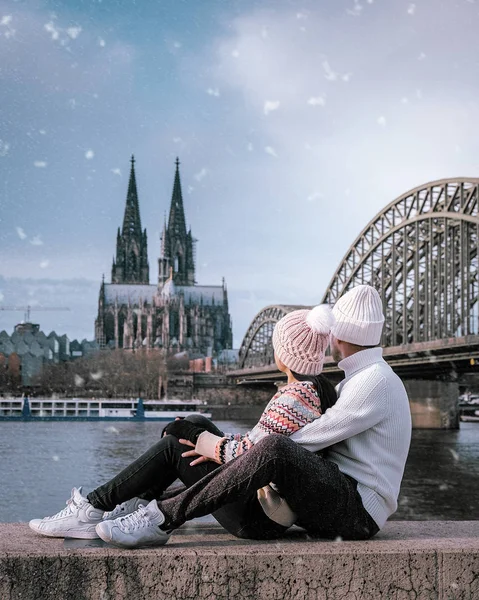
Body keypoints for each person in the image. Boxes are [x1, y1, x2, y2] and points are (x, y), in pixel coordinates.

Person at [29, 304, 338, 545]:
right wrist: (199, 432)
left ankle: (93, 507)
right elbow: (256, 444)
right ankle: (130, 503)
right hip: (262, 503)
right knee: (195, 420)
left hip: (257, 517)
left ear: (283, 355)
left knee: (174, 445)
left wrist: (197, 439)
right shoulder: (311, 391)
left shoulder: (293, 400)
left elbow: (249, 455)